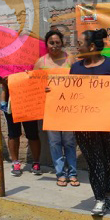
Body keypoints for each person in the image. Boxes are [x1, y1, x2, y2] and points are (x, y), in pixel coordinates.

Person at [69, 29, 110, 216]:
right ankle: (99, 199)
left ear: (92, 46)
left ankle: (108, 194)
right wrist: (53, 92)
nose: (77, 46)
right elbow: (70, 94)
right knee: (95, 161)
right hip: (86, 125)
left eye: (80, 43)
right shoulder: (76, 68)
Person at [35, 29, 78, 186]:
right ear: (46, 44)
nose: (54, 46)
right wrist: (43, 89)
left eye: (57, 43)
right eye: (51, 43)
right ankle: (60, 173)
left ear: (62, 43)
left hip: (68, 107)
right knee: (54, 142)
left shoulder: (70, 59)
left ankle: (72, 173)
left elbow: (79, 80)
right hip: (50, 109)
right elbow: (33, 86)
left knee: (69, 141)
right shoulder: (41, 63)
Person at [0, 73, 42, 176]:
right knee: (13, 133)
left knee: (33, 134)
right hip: (10, 102)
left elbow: (38, 78)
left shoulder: (31, 64)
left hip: (28, 102)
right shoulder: (6, 63)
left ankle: (36, 163)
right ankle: (15, 162)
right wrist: (2, 79)